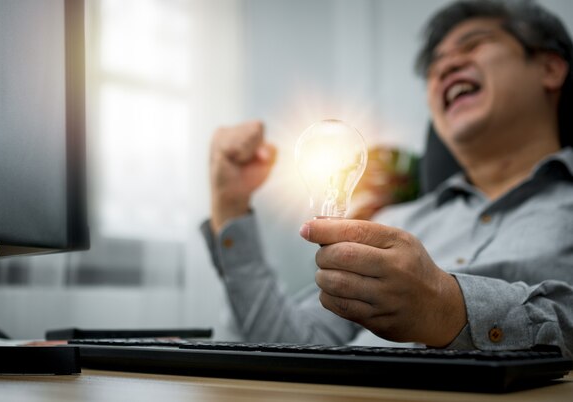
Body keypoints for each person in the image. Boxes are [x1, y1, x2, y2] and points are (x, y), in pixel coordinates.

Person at [201, 0, 573, 356]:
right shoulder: (392, 227)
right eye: (435, 65)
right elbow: (287, 344)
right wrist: (230, 206)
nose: (445, 68)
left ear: (550, 69)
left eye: (473, 45)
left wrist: (449, 308)